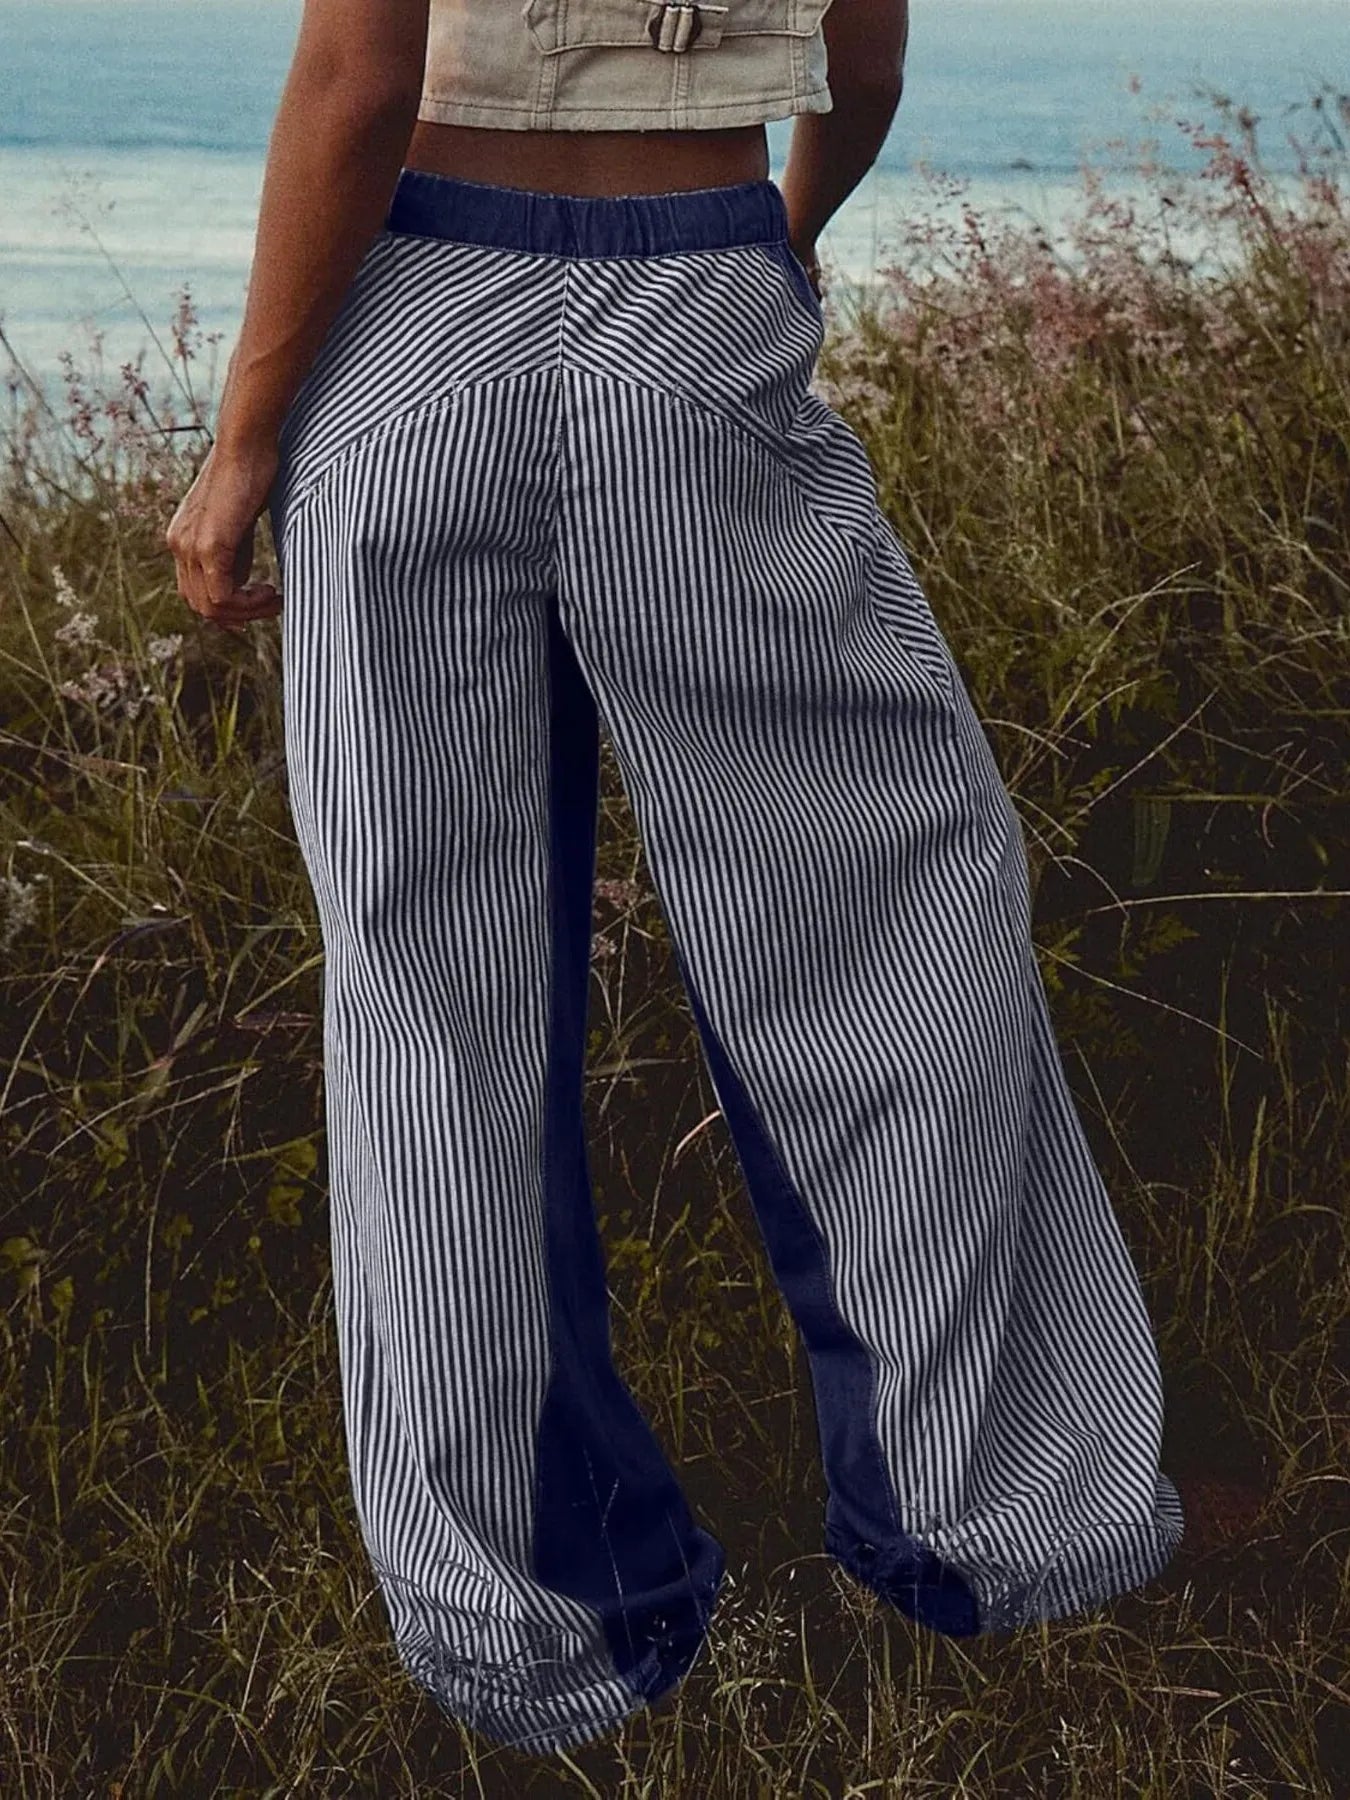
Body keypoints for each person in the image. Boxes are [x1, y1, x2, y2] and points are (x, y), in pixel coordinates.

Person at [164, 0, 1185, 1760]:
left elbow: (360, 73)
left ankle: (521, 1614)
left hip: (405, 339)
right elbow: (858, 73)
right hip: (685, 309)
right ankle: (992, 1515)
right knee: (889, 911)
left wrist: (244, 433)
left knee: (430, 1002)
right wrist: (770, 247)